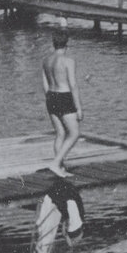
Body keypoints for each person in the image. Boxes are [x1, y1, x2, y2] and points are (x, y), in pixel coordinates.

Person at [42, 29, 83, 177]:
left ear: (54, 43)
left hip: (51, 96)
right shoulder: (68, 61)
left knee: (60, 133)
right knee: (74, 133)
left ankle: (60, 168)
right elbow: (73, 84)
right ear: (67, 44)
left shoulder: (46, 61)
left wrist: (49, 98)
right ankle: (55, 163)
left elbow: (45, 84)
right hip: (64, 96)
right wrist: (78, 107)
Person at [28, 176, 85, 253]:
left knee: (43, 239)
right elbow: (70, 236)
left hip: (59, 195)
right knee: (45, 241)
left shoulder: (77, 218)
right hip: (53, 199)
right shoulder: (75, 223)